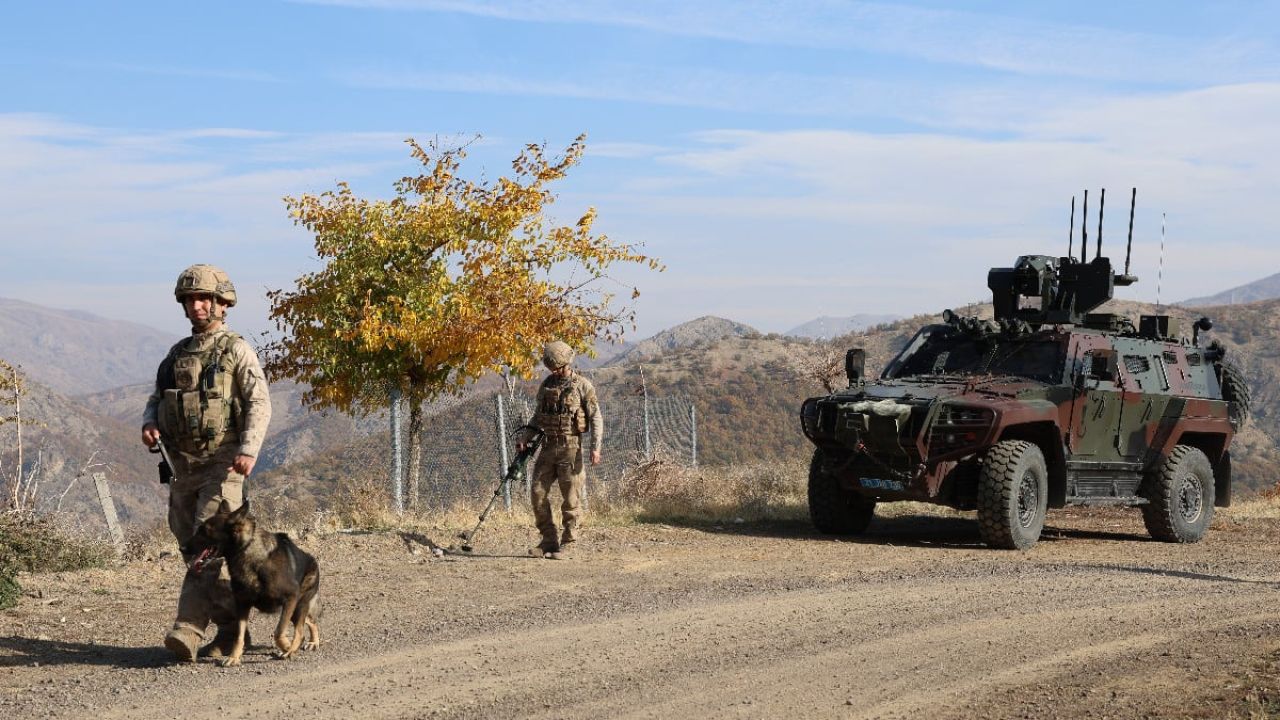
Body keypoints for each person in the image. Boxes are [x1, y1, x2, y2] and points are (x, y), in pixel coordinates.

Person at [141, 264, 272, 661]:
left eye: (204, 298)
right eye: (190, 299)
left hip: (223, 463)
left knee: (206, 546)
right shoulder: (177, 354)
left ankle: (189, 629)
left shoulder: (236, 349)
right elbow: (157, 397)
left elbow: (259, 402)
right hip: (182, 465)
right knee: (191, 545)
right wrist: (149, 423)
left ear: (221, 303)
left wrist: (248, 449)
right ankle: (233, 628)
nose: (196, 305)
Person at [520, 341, 603, 560]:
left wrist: (596, 448)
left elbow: (595, 417)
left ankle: (569, 541)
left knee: (571, 498)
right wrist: (526, 437)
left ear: (566, 363)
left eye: (556, 367)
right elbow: (538, 417)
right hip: (548, 447)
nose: (553, 371)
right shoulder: (547, 384)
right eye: (551, 367)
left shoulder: (583, 386)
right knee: (537, 492)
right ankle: (548, 541)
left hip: (571, 447)